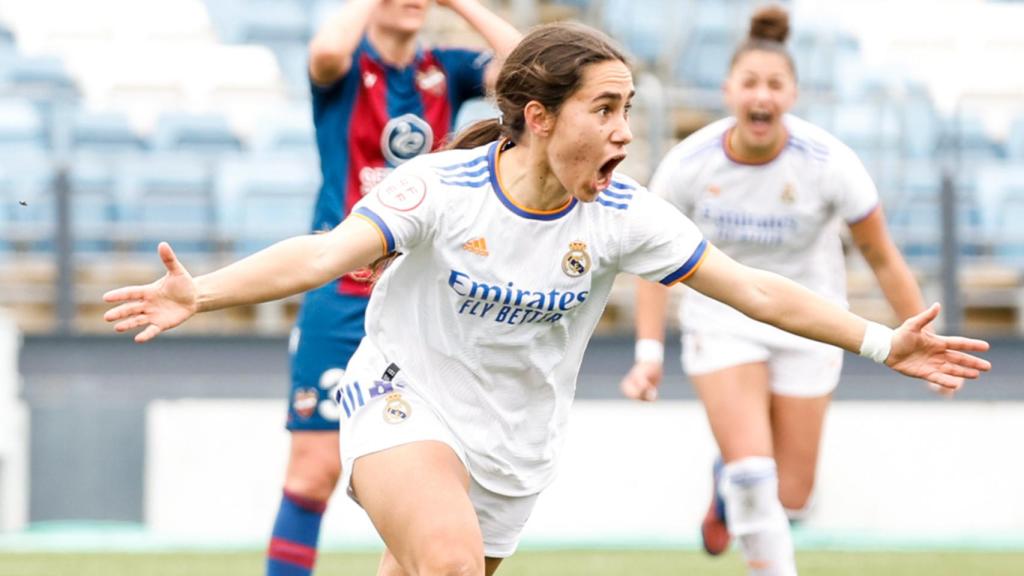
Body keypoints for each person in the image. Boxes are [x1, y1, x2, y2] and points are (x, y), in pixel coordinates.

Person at [105, 22, 989, 576]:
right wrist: (203, 293)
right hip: (400, 403)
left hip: (515, 447)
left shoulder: (621, 212)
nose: (624, 130)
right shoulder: (442, 187)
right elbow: (324, 253)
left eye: (630, 108)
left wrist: (880, 341)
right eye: (605, 108)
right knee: (446, 566)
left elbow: (753, 288)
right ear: (539, 116)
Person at [618, 6, 934, 575]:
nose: (761, 96)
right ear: (727, 91)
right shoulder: (688, 163)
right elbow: (651, 263)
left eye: (774, 85)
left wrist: (925, 341)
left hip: (811, 323)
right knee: (755, 480)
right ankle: (739, 484)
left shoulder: (831, 163)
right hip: (723, 321)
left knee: (792, 498)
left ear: (793, 93)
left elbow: (881, 255)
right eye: (749, 83)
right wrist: (648, 354)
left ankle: (724, 487)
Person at [273, 1, 520, 574]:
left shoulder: (445, 67)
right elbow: (326, 53)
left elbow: (527, 69)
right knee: (312, 475)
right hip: (342, 293)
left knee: (432, 486)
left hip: (425, 299)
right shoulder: (345, 63)